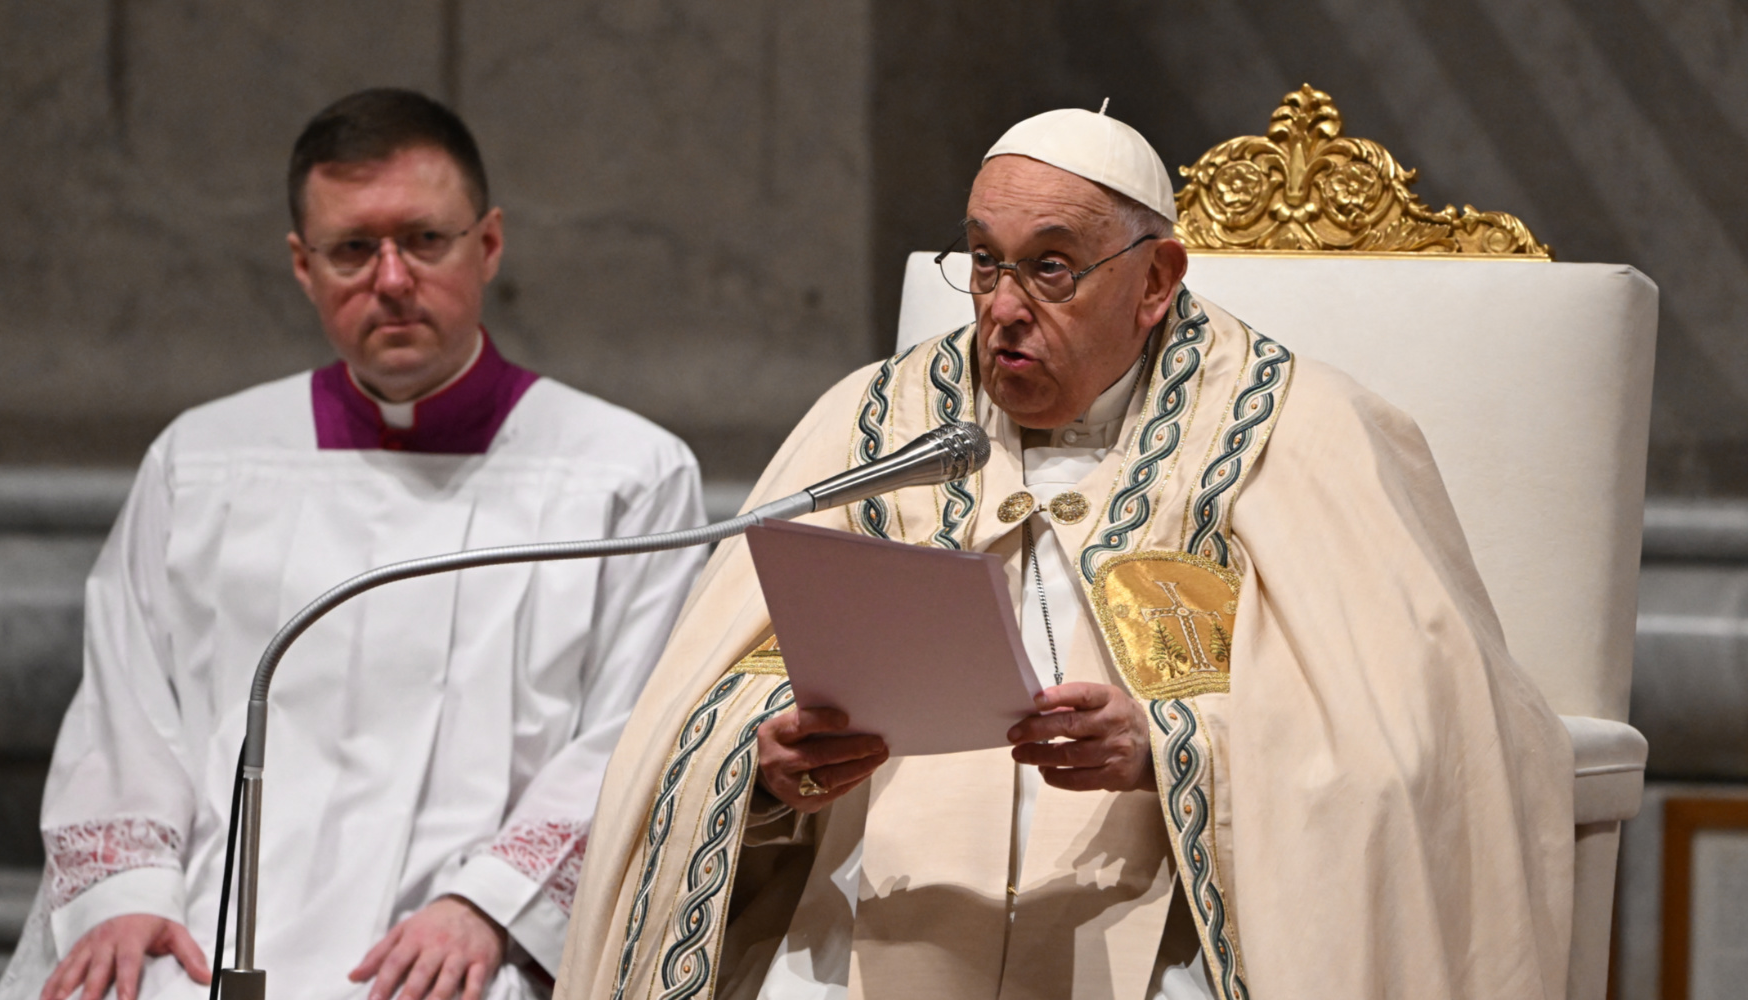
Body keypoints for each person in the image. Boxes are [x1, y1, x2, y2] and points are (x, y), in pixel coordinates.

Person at [557, 108, 1574, 999]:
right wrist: (768, 760)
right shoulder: (875, 425)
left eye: (1049, 266)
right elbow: (707, 699)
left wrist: (1169, 746)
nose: (1001, 308)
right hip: (872, 914)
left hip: (1175, 925)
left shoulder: (1297, 435)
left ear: (1154, 280)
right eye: (985, 262)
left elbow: (1420, 739)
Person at [0, 89, 707, 1000]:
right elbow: (126, 709)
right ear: (302, 265)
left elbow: (638, 732)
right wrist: (129, 894)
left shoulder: (626, 475)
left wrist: (492, 904)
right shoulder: (203, 460)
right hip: (211, 921)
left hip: (464, 939)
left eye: (424, 240)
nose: (394, 279)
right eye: (353, 250)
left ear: (487, 244)